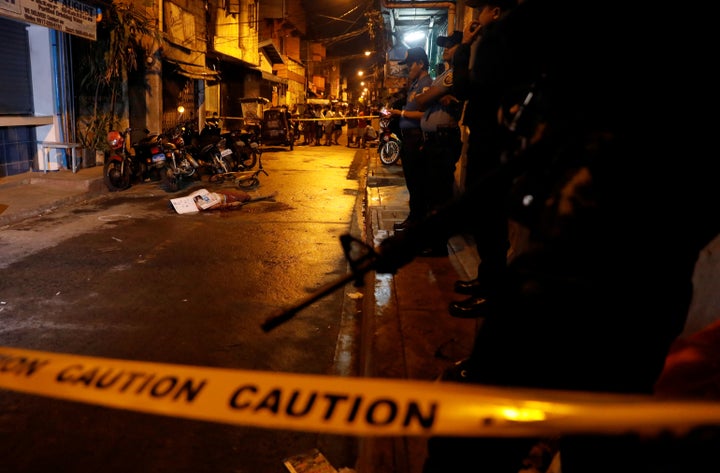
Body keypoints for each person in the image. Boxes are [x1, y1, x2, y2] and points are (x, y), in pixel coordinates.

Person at [372, 0, 720, 471]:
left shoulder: (610, 108)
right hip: (603, 291)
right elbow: (498, 183)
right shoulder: (567, 107)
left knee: (501, 445)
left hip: (603, 292)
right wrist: (418, 237)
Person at [446, 0, 517, 318]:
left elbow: (464, 86)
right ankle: (486, 281)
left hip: (493, 140)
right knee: (486, 217)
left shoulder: (501, 41)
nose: (476, 17)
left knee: (490, 217)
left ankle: (492, 292)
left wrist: (465, 46)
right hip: (490, 137)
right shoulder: (503, 41)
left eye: (482, 10)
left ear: (497, 12)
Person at [413, 31, 465, 256]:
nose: (446, 49)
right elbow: (421, 102)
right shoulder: (444, 75)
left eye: (451, 45)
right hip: (434, 141)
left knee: (439, 195)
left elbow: (422, 100)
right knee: (432, 193)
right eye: (444, 45)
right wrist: (435, 96)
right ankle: (433, 241)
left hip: (442, 142)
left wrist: (430, 95)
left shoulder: (453, 75)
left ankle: (438, 245)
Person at [388, 47, 433, 233]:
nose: (408, 69)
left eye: (410, 65)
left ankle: (417, 223)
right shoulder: (414, 85)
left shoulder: (426, 85)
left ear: (421, 64)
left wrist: (402, 113)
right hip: (407, 140)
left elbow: (425, 114)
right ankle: (413, 219)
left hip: (417, 139)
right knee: (412, 184)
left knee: (418, 184)